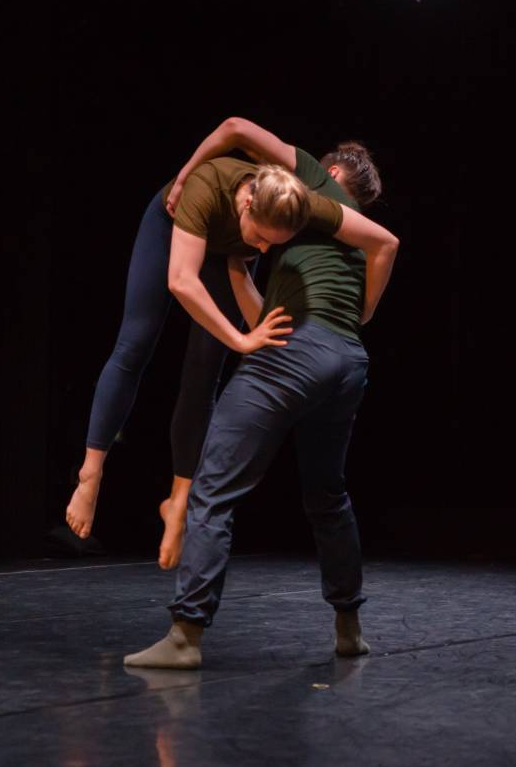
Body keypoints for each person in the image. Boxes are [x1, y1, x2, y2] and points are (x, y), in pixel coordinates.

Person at [123, 136, 399, 670]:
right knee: (328, 494)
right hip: (346, 360)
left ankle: (185, 635)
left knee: (213, 485)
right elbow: (265, 315)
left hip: (299, 352)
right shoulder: (334, 238)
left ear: (334, 177)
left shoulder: (312, 196)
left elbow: (238, 128)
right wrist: (239, 267)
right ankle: (349, 626)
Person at [65, 120, 385, 573]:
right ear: (250, 202)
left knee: (206, 371)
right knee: (136, 343)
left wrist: (261, 336)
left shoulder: (293, 206)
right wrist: (240, 337)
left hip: (223, 252)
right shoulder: (205, 189)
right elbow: (180, 281)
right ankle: (91, 471)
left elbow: (246, 276)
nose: (260, 247)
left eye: (269, 245)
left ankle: (178, 501)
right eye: (258, 238)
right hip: (173, 223)